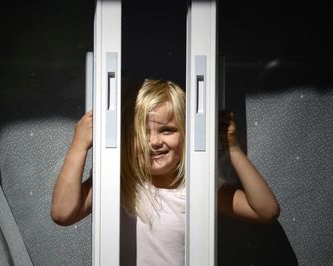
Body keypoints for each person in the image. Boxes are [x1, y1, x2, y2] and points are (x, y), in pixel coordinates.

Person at [50, 79, 280, 265]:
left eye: (167, 130)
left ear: (186, 134)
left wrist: (232, 147)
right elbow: (62, 213)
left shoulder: (197, 187)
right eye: (142, 132)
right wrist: (79, 145)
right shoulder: (117, 183)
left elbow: (265, 211)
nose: (154, 142)